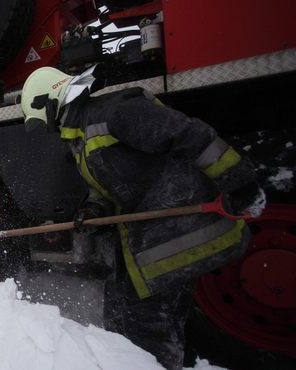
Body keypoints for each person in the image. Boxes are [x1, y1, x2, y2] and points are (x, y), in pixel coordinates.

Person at [20, 65, 265, 370]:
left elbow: (189, 134)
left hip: (177, 228)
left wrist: (239, 182)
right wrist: (94, 209)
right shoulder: (81, 135)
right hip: (149, 232)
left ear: (50, 102)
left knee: (148, 325)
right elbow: (107, 186)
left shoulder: (117, 111)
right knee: (120, 310)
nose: (47, 126)